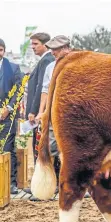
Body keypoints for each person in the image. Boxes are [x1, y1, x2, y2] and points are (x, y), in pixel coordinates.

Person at [36, 35, 72, 193]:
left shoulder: (76, 65)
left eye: (55, 49)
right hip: (53, 113)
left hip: (72, 115)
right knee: (52, 147)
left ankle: (72, 182)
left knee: (71, 148)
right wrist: (41, 112)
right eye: (51, 49)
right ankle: (58, 182)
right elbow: (45, 90)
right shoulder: (50, 67)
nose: (52, 52)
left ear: (66, 48)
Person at [23, 32, 54, 195]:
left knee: (40, 149)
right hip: (39, 112)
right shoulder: (44, 61)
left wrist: (34, 111)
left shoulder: (47, 61)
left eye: (35, 44)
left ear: (45, 44)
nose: (33, 47)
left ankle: (41, 187)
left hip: (39, 113)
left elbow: (41, 89)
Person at [0, 38, 23, 194]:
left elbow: (18, 91)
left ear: (4, 50)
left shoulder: (14, 68)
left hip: (7, 115)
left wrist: (8, 108)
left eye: (0, 49)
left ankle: (11, 183)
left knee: (8, 148)